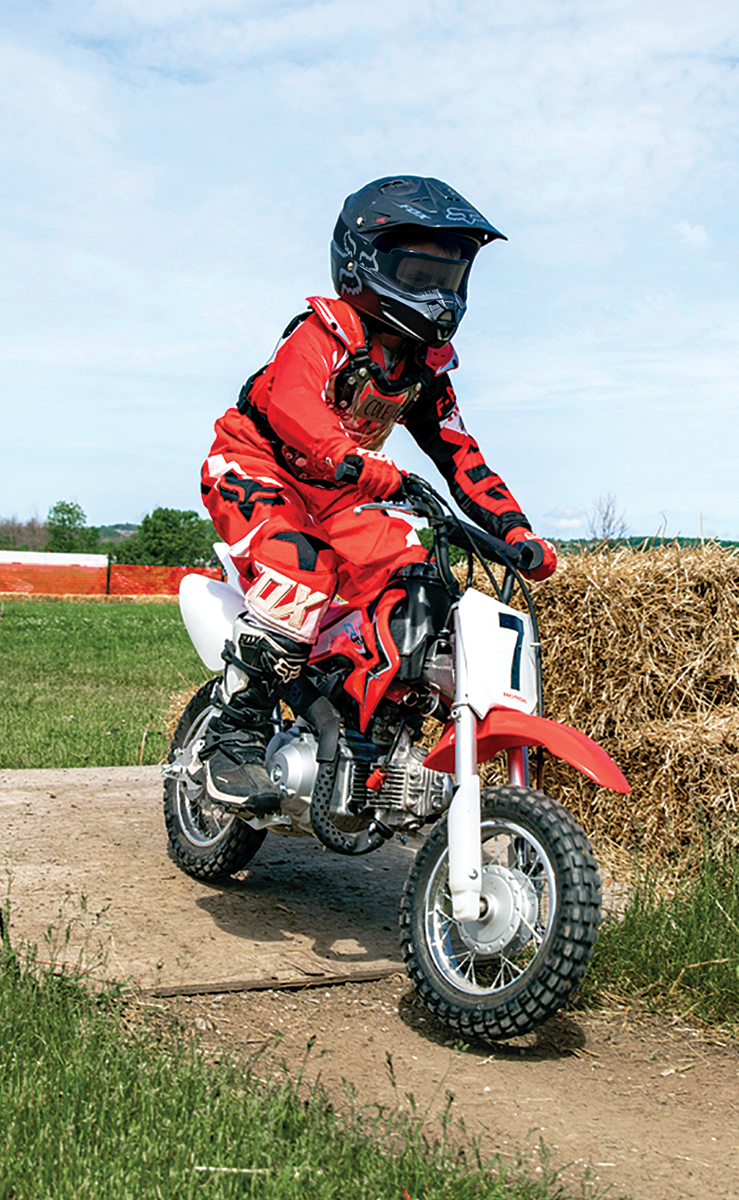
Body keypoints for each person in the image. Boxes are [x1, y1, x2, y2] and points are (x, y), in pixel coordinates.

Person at [194, 175, 560, 810]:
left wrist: (514, 530)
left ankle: (363, 725)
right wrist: (346, 457)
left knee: (418, 571)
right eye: (419, 271)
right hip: (256, 467)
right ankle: (236, 735)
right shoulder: (324, 333)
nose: (438, 294)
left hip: (338, 493)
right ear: (364, 263)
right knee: (302, 571)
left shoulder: (424, 368)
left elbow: (461, 455)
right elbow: (292, 404)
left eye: (450, 277)